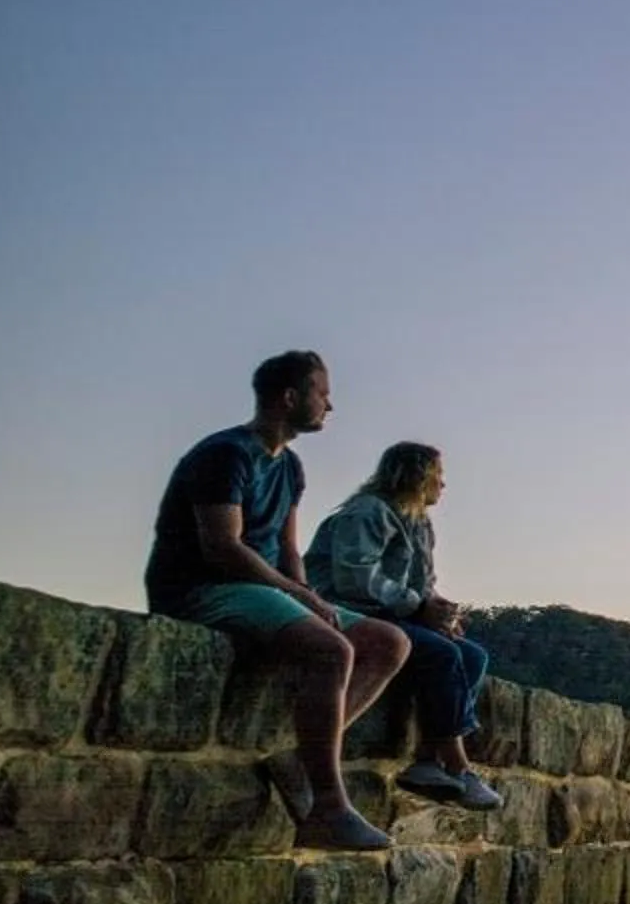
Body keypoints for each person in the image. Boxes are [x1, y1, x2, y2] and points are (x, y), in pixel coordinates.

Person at [145, 350, 411, 851]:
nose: (329, 406)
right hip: (202, 588)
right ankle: (328, 806)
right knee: (332, 650)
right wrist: (294, 595)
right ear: (290, 397)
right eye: (322, 393)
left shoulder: (290, 466)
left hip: (262, 590)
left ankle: (300, 758)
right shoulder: (225, 454)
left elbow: (289, 549)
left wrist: (305, 593)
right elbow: (222, 547)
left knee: (387, 641)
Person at [306, 442, 503, 810]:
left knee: (472, 656)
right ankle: (459, 765)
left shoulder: (419, 525)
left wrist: (442, 613)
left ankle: (429, 762)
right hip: (348, 612)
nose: (443, 486)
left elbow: (421, 585)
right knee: (440, 655)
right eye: (438, 476)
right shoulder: (368, 512)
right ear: (418, 476)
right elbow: (355, 578)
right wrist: (419, 607)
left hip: (392, 613)